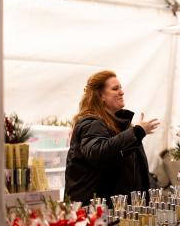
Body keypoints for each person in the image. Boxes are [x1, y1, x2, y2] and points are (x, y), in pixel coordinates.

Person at [65, 70, 159, 205]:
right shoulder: (92, 123)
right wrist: (137, 132)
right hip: (97, 213)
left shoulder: (118, 124)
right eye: (115, 88)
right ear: (100, 96)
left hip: (116, 208)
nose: (121, 92)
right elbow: (99, 152)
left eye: (120, 87)